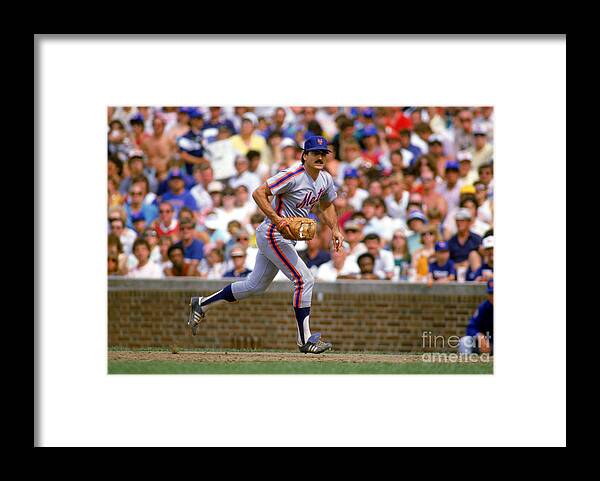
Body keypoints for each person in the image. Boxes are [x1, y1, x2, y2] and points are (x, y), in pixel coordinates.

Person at [187, 135, 344, 355]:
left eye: (323, 153)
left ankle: (201, 303)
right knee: (304, 279)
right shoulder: (292, 175)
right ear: (305, 155)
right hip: (272, 233)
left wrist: (335, 229)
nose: (320, 157)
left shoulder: (325, 179)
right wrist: (278, 220)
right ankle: (305, 340)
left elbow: (327, 205)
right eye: (315, 153)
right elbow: (259, 193)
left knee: (254, 285)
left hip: (282, 237)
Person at [458, 279, 494, 355]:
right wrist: (479, 336)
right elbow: (470, 327)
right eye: (491, 293)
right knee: (465, 341)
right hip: (486, 343)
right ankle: (465, 365)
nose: (492, 297)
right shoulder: (484, 307)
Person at [447, 208, 483, 279]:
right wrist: (458, 265)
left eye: (462, 220)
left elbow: (483, 257)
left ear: (469, 222)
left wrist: (469, 263)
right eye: (457, 220)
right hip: (456, 272)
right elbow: (447, 259)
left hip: (472, 271)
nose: (459, 223)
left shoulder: (476, 239)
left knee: (473, 255)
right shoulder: (451, 241)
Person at [175, 108, 209, 176]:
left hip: (206, 173)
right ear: (192, 120)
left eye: (202, 118)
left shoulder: (205, 133)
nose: (202, 120)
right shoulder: (185, 138)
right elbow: (183, 156)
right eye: (199, 118)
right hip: (192, 174)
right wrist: (201, 161)